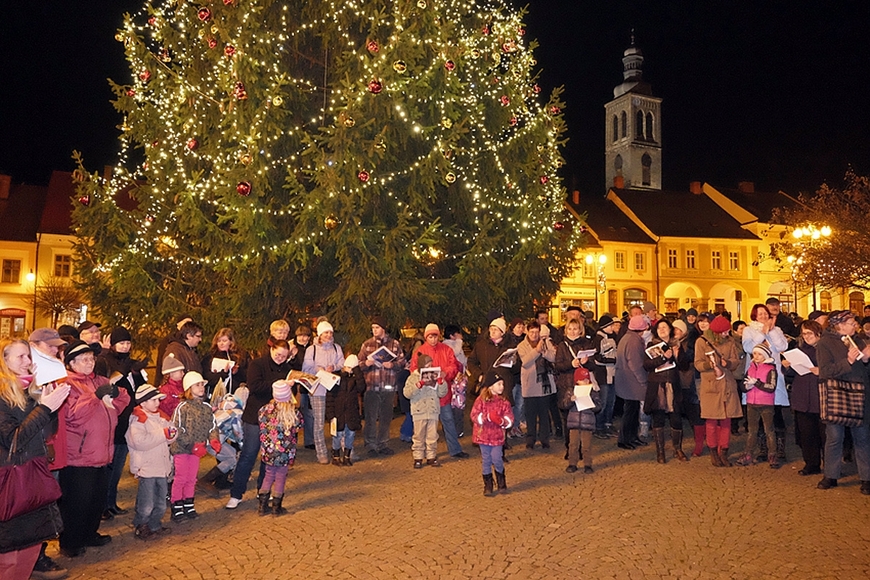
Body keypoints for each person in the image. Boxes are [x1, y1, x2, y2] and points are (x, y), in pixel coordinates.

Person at [0, 339, 69, 580]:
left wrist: (46, 403)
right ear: (4, 360)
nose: (27, 362)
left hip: (34, 474)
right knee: (8, 555)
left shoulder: (30, 390)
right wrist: (44, 409)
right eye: (20, 357)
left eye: (28, 356)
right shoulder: (1, 397)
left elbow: (47, 433)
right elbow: (14, 441)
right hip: (10, 481)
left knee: (30, 548)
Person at [59, 340, 130, 557]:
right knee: (76, 502)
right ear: (71, 363)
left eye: (91, 358)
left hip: (102, 452)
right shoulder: (67, 384)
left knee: (96, 500)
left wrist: (117, 394)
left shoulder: (100, 380)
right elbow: (72, 416)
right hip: (80, 456)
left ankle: (90, 534)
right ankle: (70, 542)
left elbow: (123, 400)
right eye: (84, 359)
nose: (90, 363)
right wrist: (95, 396)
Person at [227, 340, 293, 509]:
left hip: (276, 420)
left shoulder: (287, 369)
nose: (280, 359)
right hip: (256, 416)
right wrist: (277, 385)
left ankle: (263, 491)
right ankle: (236, 494)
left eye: (284, 357)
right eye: (277, 355)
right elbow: (254, 386)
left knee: (269, 457)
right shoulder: (257, 364)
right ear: (271, 350)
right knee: (248, 454)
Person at [94, 326, 148, 521]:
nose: (125, 346)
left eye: (127, 343)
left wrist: (139, 375)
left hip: (129, 420)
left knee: (117, 467)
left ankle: (111, 502)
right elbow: (106, 388)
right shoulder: (105, 362)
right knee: (110, 466)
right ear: (114, 344)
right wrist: (122, 373)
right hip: (114, 420)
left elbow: (139, 390)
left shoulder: (131, 364)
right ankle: (102, 506)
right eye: (121, 343)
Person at [815, 310, 870, 494]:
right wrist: (848, 360)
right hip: (836, 394)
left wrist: (867, 358)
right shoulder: (825, 342)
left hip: (859, 394)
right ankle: (831, 475)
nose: (855, 324)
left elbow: (864, 367)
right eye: (851, 322)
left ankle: (866, 478)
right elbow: (825, 371)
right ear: (839, 324)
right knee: (834, 437)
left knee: (862, 438)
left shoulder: (859, 340)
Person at [125, 384, 176, 540]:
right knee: (146, 502)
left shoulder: (160, 417)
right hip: (147, 468)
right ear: (143, 403)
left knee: (161, 502)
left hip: (161, 467)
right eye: (153, 400)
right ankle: (141, 525)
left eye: (158, 400)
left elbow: (171, 434)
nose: (157, 403)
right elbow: (140, 442)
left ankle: (155, 524)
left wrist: (172, 434)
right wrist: (163, 434)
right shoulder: (138, 420)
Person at [410, 324, 467, 459]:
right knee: (424, 425)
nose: (433, 340)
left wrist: (444, 373)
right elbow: (413, 369)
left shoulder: (446, 350)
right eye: (430, 337)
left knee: (448, 421)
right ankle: (423, 453)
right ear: (426, 337)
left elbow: (454, 366)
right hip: (426, 395)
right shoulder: (420, 352)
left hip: (442, 393)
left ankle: (455, 449)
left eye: (435, 336)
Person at [742, 303, 790, 463]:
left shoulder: (777, 330)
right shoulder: (749, 330)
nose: (763, 316)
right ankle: (763, 449)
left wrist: (772, 331)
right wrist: (763, 332)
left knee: (776, 414)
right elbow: (749, 347)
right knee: (758, 417)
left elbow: (782, 346)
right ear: (754, 316)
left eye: (765, 313)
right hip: (756, 375)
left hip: (773, 374)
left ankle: (779, 449)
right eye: (759, 314)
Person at [169, 372, 219, 522]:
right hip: (183, 448)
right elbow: (176, 428)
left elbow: (212, 426)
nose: (202, 387)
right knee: (181, 478)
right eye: (198, 385)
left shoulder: (206, 407)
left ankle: (188, 503)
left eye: (202, 384)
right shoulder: (182, 407)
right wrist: (191, 445)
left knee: (192, 478)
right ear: (189, 388)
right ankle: (176, 506)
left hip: (198, 449)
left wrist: (214, 439)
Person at [694, 316, 743, 467]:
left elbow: (736, 361)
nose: (727, 333)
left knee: (727, 420)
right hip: (711, 385)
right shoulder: (701, 341)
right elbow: (698, 364)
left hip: (727, 384)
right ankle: (713, 451)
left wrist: (727, 363)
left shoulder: (730, 341)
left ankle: (724, 452)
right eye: (724, 331)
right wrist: (710, 365)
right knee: (711, 420)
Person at [357, 316, 405, 458]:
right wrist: (367, 363)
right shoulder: (367, 345)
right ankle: (370, 444)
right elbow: (359, 363)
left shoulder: (394, 344)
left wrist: (393, 365)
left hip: (388, 386)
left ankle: (383, 443)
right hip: (372, 386)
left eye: (377, 327)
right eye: (372, 328)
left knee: (386, 416)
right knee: (371, 417)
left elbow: (402, 362)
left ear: (383, 328)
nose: (374, 330)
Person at [643, 319, 688, 463]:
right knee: (658, 418)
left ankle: (677, 448)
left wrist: (677, 355)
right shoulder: (651, 345)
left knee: (676, 417)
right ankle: (660, 452)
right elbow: (647, 365)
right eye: (659, 327)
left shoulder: (677, 344)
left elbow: (684, 366)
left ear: (670, 329)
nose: (662, 330)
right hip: (657, 386)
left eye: (665, 327)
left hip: (673, 385)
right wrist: (663, 357)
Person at [782, 320, 824, 476]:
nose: (806, 337)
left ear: (818, 333)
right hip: (802, 397)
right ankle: (811, 464)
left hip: (820, 396)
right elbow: (791, 374)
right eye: (804, 333)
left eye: (809, 333)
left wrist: (822, 370)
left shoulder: (825, 349)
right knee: (807, 434)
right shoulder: (799, 350)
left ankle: (830, 466)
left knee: (825, 434)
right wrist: (786, 366)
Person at [257, 380, 303, 516]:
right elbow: (299, 426)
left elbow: (261, 423)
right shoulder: (293, 413)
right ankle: (277, 508)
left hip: (269, 451)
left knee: (268, 475)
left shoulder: (264, 410)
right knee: (281, 476)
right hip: (285, 452)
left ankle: (262, 506)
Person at [304, 321, 346, 464]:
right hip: (317, 390)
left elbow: (342, 363)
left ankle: (340, 447)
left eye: (330, 332)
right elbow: (306, 368)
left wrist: (333, 366)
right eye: (325, 333)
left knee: (337, 419)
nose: (328, 335)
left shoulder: (336, 348)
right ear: (320, 334)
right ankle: (321, 452)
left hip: (333, 389)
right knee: (319, 422)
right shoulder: (312, 349)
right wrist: (317, 369)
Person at [471, 369, 514, 496]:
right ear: (491, 386)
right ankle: (488, 484)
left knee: (497, 458)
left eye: (502, 384)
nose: (502, 386)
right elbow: (474, 415)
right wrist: (486, 417)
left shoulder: (504, 402)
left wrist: (502, 421)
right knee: (486, 460)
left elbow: (510, 419)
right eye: (499, 384)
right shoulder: (481, 400)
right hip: (483, 436)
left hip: (497, 437)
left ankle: (501, 480)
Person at [736, 343, 780, 468]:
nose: (756, 356)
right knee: (752, 431)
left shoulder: (770, 369)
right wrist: (747, 386)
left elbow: (771, 387)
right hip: (752, 402)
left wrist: (757, 383)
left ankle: (772, 454)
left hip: (766, 403)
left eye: (759, 354)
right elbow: (743, 386)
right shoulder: (750, 368)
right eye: (754, 353)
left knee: (769, 430)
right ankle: (748, 453)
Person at [404, 352, 449, 468]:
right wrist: (417, 386)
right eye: (427, 366)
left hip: (433, 410)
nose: (429, 368)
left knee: (432, 435)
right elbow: (407, 393)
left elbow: (442, 393)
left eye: (431, 365)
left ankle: (431, 456)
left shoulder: (434, 375)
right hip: (419, 411)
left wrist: (441, 383)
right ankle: (418, 457)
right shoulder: (412, 378)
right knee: (418, 436)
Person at [517, 320, 557, 450]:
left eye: (537, 332)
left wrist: (544, 351)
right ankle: (531, 439)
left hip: (545, 385)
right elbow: (525, 362)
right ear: (527, 332)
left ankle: (545, 439)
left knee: (544, 414)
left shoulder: (546, 342)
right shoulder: (522, 345)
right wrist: (537, 351)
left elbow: (553, 357)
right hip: (530, 386)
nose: (534, 335)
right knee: (530, 415)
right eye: (532, 332)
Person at [615, 315, 649, 450]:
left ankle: (632, 437)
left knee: (632, 410)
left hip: (626, 381)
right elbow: (635, 364)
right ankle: (625, 439)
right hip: (631, 382)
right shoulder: (634, 341)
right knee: (630, 411)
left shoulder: (627, 337)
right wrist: (643, 380)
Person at [558, 367, 600, 474]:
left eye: (586, 380)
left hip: (587, 422)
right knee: (573, 444)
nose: (585, 382)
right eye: (582, 380)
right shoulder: (571, 391)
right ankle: (572, 463)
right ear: (577, 380)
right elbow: (563, 405)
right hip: (574, 422)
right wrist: (570, 400)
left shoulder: (592, 392)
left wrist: (591, 404)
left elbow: (598, 407)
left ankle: (587, 464)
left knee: (586, 445)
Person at [325, 355, 365, 466]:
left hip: (351, 413)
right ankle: (336, 456)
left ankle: (347, 456)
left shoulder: (355, 380)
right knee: (337, 435)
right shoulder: (336, 379)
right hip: (338, 413)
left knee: (350, 435)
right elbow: (330, 398)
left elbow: (362, 387)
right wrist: (330, 414)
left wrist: (357, 370)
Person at [591, 315, 620, 439]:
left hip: (612, 374)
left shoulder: (612, 337)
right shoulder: (598, 339)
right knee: (603, 401)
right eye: (611, 325)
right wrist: (613, 360)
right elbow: (597, 357)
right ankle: (599, 427)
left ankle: (608, 424)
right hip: (603, 375)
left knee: (611, 401)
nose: (613, 327)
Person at [201, 328, 248, 400]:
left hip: (235, 395)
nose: (221, 343)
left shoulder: (240, 356)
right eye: (219, 341)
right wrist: (223, 374)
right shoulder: (210, 357)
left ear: (231, 342)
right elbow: (206, 377)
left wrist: (237, 372)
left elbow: (247, 375)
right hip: (215, 395)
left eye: (224, 341)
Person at [442, 325, 468, 437]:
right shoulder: (447, 345)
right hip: (453, 379)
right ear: (452, 335)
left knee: (459, 404)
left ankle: (458, 428)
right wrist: (459, 341)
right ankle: (455, 429)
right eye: (458, 333)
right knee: (455, 404)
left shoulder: (454, 344)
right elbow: (456, 353)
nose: (461, 335)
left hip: (460, 378)